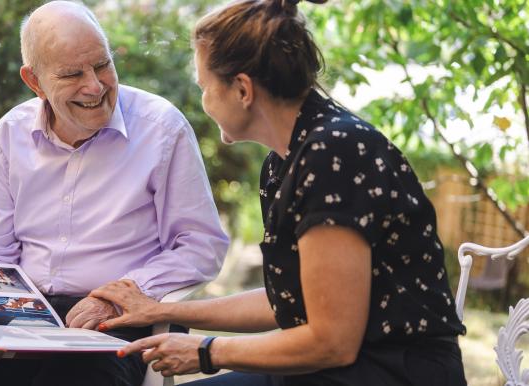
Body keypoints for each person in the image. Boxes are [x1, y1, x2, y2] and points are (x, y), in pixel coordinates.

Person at [90, 0, 468, 385]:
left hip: (389, 371)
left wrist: (207, 351)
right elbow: (287, 301)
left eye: (205, 88)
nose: (204, 103)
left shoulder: (333, 153)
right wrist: (160, 312)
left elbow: (332, 341)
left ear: (242, 89)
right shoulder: (285, 162)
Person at [0, 1, 228, 385]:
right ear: (34, 81)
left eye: (102, 65)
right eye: (71, 74)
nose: (95, 86)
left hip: (119, 320)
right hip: (22, 314)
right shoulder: (9, 134)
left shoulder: (162, 128)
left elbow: (201, 245)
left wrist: (118, 296)